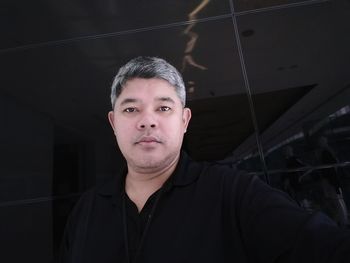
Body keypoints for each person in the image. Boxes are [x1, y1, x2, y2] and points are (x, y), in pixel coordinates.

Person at [59, 56, 350, 263]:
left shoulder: (232, 193)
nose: (147, 121)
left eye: (163, 108)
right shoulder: (87, 208)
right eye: (131, 110)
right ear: (113, 122)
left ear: (184, 121)